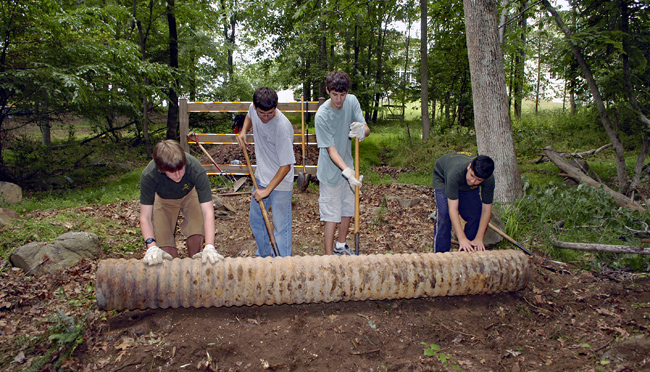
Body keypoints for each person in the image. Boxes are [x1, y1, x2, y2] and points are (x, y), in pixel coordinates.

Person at [139, 139, 224, 265]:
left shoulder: (196, 168)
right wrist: (151, 247)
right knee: (164, 243)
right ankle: (175, 272)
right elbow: (145, 217)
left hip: (189, 193)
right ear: (161, 169)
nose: (178, 175)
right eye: (172, 171)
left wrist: (210, 246)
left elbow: (208, 211)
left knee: (196, 228)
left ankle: (195, 264)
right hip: (163, 199)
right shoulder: (149, 175)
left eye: (180, 168)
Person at [315, 71, 370, 255]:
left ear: (347, 92)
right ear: (328, 91)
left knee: (348, 209)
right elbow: (331, 151)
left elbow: (366, 128)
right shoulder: (322, 115)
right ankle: (329, 257)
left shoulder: (352, 102)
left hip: (348, 163)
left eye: (343, 94)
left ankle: (341, 246)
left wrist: (363, 131)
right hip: (331, 171)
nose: (339, 100)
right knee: (332, 215)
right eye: (335, 94)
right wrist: (348, 172)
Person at [237, 87, 295, 257]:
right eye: (262, 114)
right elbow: (249, 115)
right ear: (256, 107)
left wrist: (266, 190)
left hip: (280, 182)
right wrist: (243, 132)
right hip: (261, 177)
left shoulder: (282, 127)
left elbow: (286, 166)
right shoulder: (254, 109)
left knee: (281, 227)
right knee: (257, 220)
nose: (266, 118)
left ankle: (282, 266)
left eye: (270, 113)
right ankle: (264, 256)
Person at [432, 152, 495, 253]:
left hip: (465, 186)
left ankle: (468, 250)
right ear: (470, 166)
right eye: (472, 175)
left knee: (475, 214)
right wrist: (461, 238)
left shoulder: (489, 179)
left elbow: (486, 209)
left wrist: (479, 238)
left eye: (478, 180)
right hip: (443, 178)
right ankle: (441, 254)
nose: (473, 181)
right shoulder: (455, 173)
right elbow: (453, 209)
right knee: (444, 213)